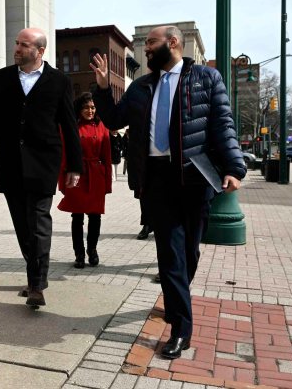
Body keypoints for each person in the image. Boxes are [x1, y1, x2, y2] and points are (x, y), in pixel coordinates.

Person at [91, 25, 246, 359]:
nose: (145, 49)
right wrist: (103, 89)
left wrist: (234, 168)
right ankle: (180, 329)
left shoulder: (205, 79)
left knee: (189, 252)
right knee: (171, 256)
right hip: (157, 179)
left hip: (193, 178)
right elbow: (115, 120)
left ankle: (178, 297)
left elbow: (222, 123)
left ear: (173, 43)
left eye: (150, 43)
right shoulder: (141, 86)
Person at [0, 27, 82, 308]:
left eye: (24, 45)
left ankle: (36, 284)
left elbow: (70, 125)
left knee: (38, 222)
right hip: (11, 162)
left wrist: (74, 165)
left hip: (44, 162)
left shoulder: (59, 80)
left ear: (40, 51)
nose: (17, 49)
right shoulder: (1, 78)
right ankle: (35, 273)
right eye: (16, 43)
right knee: (23, 225)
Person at [58, 93, 112, 268]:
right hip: (77, 175)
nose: (90, 111)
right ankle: (79, 254)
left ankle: (92, 251)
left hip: (96, 175)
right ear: (79, 109)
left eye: (93, 107)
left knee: (95, 216)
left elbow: (107, 156)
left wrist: (107, 183)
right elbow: (64, 154)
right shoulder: (72, 126)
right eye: (86, 107)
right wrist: (63, 179)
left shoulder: (102, 126)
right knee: (77, 216)